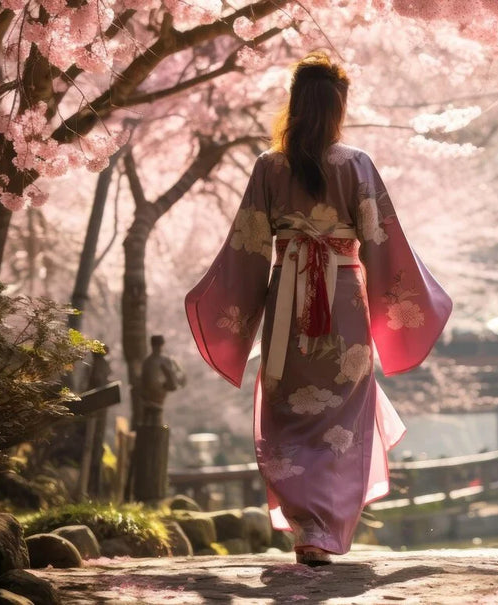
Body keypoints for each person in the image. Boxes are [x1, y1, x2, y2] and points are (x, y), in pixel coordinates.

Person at [185, 51, 452, 566]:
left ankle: (307, 526)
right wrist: (403, 307)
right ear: (337, 109)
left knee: (289, 411)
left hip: (287, 300)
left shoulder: (269, 167)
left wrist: (236, 313)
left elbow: (248, 248)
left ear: (295, 106)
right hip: (344, 303)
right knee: (342, 414)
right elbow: (382, 244)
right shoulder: (355, 163)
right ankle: (325, 530)